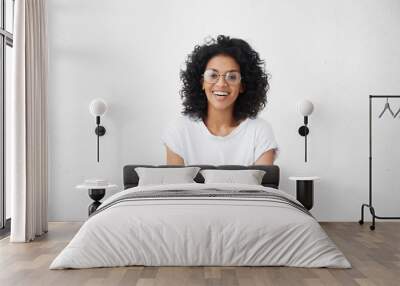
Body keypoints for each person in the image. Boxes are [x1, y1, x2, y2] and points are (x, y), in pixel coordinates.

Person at [162, 35, 278, 166]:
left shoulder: (259, 131)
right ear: (202, 82)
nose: (221, 84)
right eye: (212, 75)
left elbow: (262, 186)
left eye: (232, 77)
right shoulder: (179, 130)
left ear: (242, 85)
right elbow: (175, 186)